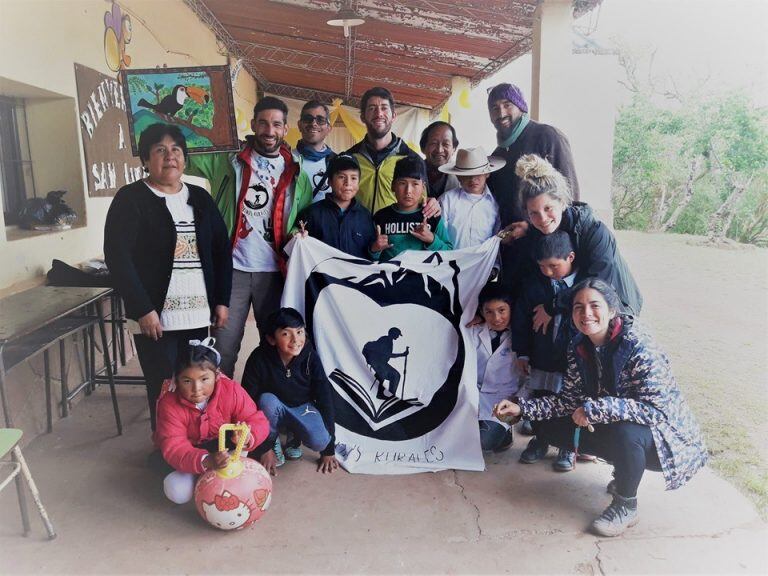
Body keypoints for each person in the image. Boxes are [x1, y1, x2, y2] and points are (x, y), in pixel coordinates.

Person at [495, 279, 707, 537]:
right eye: (578, 307)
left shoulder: (639, 346)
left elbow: (656, 411)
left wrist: (596, 409)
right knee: (547, 425)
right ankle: (625, 468)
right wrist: (521, 409)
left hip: (667, 441)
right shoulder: (578, 346)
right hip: (621, 424)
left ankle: (625, 504)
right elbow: (568, 401)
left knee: (626, 432)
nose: (586, 314)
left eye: (595, 305)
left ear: (612, 310)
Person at [104, 123, 231, 430]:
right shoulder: (131, 198)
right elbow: (118, 257)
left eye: (176, 149)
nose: (169, 156)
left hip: (198, 314)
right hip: (156, 319)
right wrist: (142, 308)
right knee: (163, 388)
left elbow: (220, 250)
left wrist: (222, 301)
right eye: (160, 150)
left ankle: (197, 448)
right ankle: (164, 451)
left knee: (197, 384)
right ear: (146, 160)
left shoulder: (200, 198)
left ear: (184, 159)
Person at [186, 96, 313, 376]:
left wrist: (298, 233)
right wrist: (195, 121)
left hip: (275, 272)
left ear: (285, 128)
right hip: (233, 270)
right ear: (254, 124)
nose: (270, 130)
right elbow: (184, 157)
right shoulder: (227, 160)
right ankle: (219, 408)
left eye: (276, 124)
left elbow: (303, 216)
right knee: (224, 347)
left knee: (276, 347)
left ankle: (264, 406)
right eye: (264, 123)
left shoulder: (297, 171)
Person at [516, 154, 642, 340]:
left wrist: (553, 306)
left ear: (562, 202)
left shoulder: (593, 230)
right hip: (579, 309)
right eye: (534, 213)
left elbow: (599, 281)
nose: (542, 218)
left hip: (616, 305)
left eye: (548, 208)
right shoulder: (538, 232)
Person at [485, 83, 579, 292]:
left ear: (521, 106)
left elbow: (570, 195)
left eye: (507, 104)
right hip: (514, 252)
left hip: (549, 251)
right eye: (494, 108)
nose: (501, 113)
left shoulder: (547, 136)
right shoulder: (498, 154)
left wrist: (533, 226)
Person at [153, 338, 272, 504]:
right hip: (193, 455)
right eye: (187, 381)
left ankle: (214, 476)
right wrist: (206, 461)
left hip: (226, 449)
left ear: (216, 376)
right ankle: (201, 477)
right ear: (176, 380)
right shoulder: (169, 403)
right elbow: (174, 446)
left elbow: (256, 419)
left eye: (204, 379)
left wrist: (246, 437)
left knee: (242, 482)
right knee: (176, 491)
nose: (196, 389)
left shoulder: (231, 389)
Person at [242, 308, 339, 475]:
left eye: (300, 332)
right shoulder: (258, 358)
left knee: (321, 441)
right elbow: (245, 402)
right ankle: (272, 440)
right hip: (271, 408)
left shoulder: (310, 357)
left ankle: (294, 436)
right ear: (271, 339)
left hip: (301, 407)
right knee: (267, 400)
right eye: (286, 334)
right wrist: (263, 448)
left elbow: (325, 398)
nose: (296, 340)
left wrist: (328, 450)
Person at [512, 231, 579, 471]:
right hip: (541, 358)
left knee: (568, 404)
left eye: (553, 266)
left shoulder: (583, 288)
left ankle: (567, 448)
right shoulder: (533, 285)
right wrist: (522, 352)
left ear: (570, 257)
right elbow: (520, 320)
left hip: (571, 364)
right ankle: (540, 440)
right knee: (540, 399)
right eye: (542, 266)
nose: (548, 272)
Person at [346, 86, 441, 219]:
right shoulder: (350, 158)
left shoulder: (412, 159)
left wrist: (433, 203)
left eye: (384, 108)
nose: (379, 113)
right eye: (372, 108)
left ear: (394, 116)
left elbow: (423, 202)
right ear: (362, 117)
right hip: (357, 235)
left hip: (394, 236)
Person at [472, 283, 527, 452]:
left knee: (482, 443)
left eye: (502, 310)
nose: (496, 318)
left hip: (504, 398)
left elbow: (530, 377)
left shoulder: (524, 336)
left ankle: (505, 431)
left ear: (512, 309)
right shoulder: (473, 329)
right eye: (489, 312)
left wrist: (517, 403)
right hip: (473, 394)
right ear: (481, 312)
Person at [292, 154, 376, 259]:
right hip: (321, 275)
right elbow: (298, 253)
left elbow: (371, 256)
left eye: (353, 178)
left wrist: (376, 250)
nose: (348, 183)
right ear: (329, 181)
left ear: (359, 182)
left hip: (357, 275)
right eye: (341, 177)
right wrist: (297, 236)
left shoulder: (366, 217)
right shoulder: (310, 214)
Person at [371, 156, 453, 262]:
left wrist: (432, 239)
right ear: (393, 186)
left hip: (423, 277)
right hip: (389, 277)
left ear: (423, 188)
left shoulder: (431, 215)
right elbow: (368, 258)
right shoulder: (380, 217)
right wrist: (375, 249)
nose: (408, 191)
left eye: (415, 184)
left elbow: (450, 253)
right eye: (402, 183)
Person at [437, 146, 504, 249]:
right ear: (458, 176)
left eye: (478, 174)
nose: (473, 179)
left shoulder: (495, 204)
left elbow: (496, 239)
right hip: (452, 261)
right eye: (467, 175)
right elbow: (440, 236)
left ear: (487, 173)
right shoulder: (447, 200)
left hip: (484, 262)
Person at [295, 100, 336, 203]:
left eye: (320, 120)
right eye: (308, 119)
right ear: (299, 125)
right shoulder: (287, 159)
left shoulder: (337, 162)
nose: (313, 123)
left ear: (329, 128)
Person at [362, 327, 409, 400]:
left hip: (379, 362)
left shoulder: (388, 340)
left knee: (393, 375)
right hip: (376, 361)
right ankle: (385, 395)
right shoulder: (385, 340)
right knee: (393, 374)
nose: (398, 336)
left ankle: (389, 395)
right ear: (393, 333)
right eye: (397, 334)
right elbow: (388, 354)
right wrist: (402, 354)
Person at [419, 121, 460, 198]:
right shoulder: (410, 173)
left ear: (454, 149)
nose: (439, 150)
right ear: (423, 148)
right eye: (433, 143)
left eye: (446, 144)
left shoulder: (462, 179)